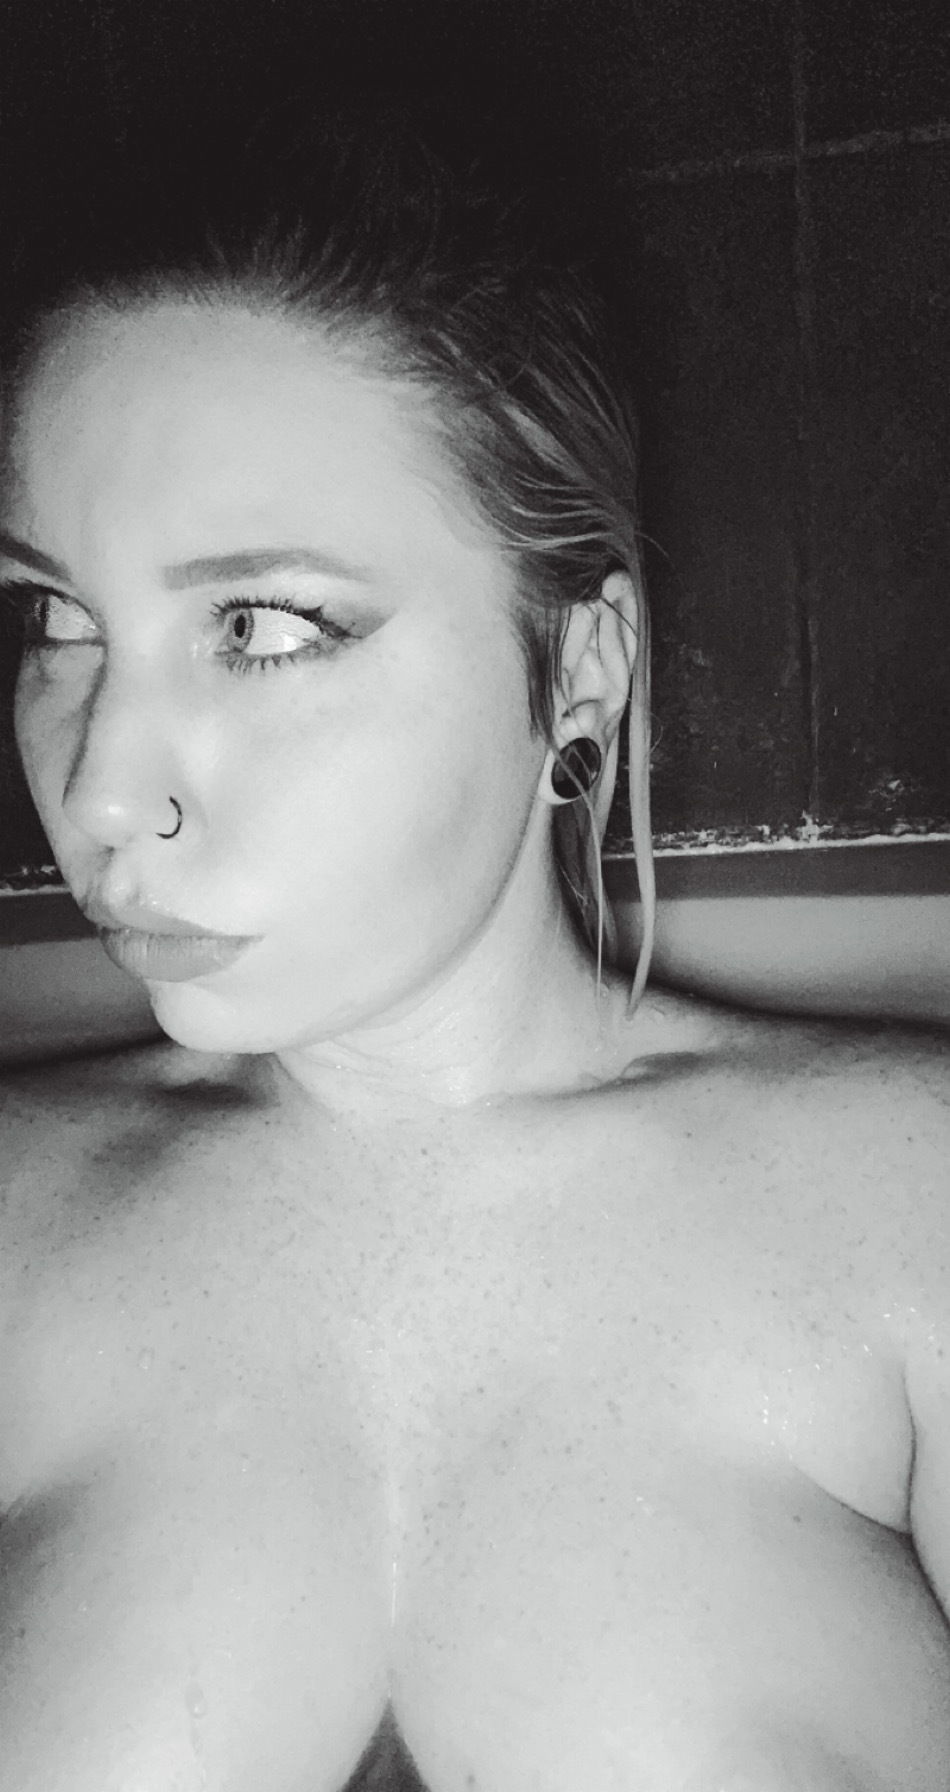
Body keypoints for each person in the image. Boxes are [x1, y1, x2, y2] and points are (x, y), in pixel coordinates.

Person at [0, 116, 948, 1792]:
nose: (99, 793)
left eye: (261, 627)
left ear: (575, 671)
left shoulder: (909, 1207)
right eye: (57, 622)